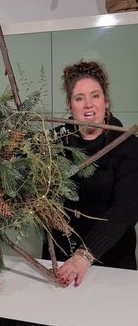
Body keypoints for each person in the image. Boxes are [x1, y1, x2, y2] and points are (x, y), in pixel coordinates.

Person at [42, 60, 138, 287]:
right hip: (58, 260)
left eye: (95, 96)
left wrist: (85, 255)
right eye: (79, 98)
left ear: (105, 100)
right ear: (69, 105)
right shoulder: (52, 142)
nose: (88, 105)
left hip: (111, 264)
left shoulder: (128, 145)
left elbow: (125, 209)